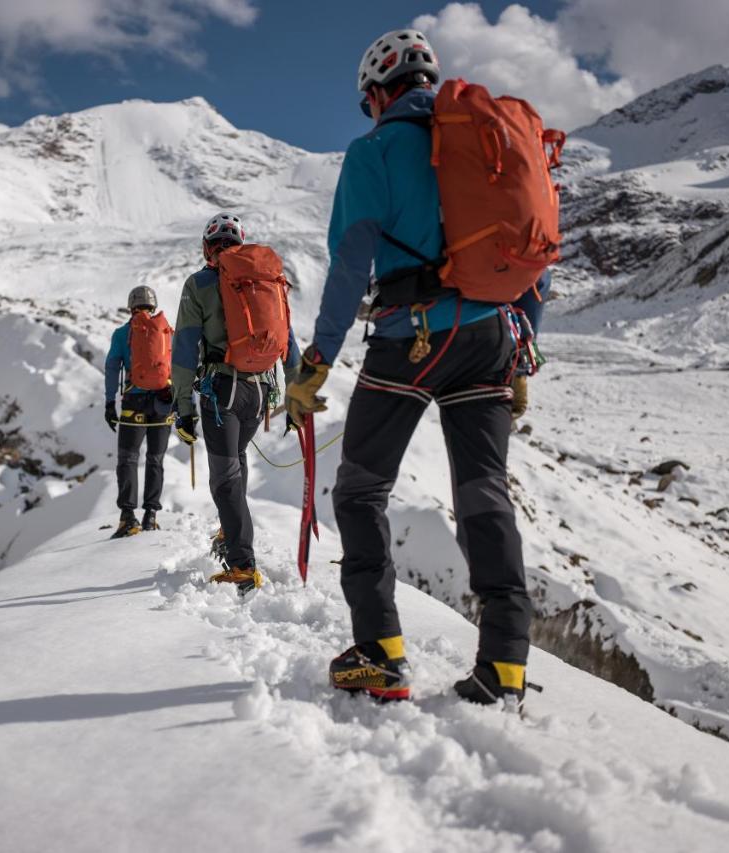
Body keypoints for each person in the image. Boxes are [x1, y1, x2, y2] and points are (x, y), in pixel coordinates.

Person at [286, 30, 542, 706]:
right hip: (490, 337)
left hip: (411, 340)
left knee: (360, 491)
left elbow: (349, 266)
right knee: (483, 490)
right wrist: (523, 353)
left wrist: (315, 363)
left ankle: (381, 654)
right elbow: (530, 254)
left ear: (377, 94)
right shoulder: (493, 146)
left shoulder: (374, 150)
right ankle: (504, 667)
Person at [171, 213, 301, 592]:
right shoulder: (266, 282)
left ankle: (242, 565)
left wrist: (181, 406)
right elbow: (288, 343)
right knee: (236, 464)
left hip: (221, 393)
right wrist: (295, 399)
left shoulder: (200, 284)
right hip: (261, 393)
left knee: (225, 478)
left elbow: (183, 350)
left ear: (208, 248)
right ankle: (231, 534)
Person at [104, 286, 173, 538]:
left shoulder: (123, 334)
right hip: (163, 405)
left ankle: (128, 517)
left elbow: (112, 367)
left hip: (134, 403)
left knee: (128, 458)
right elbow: (177, 367)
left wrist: (109, 403)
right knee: (156, 460)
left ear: (131, 306)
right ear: (153, 306)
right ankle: (151, 515)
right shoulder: (166, 332)